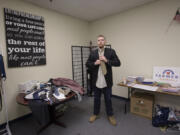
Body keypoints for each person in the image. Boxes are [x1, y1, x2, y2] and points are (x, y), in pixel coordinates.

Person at [86, 35, 121, 126]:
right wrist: (94, 63)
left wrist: (107, 60)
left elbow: (118, 63)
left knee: (108, 99)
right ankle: (95, 114)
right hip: (96, 81)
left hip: (107, 81)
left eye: (102, 40)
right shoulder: (93, 53)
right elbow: (87, 63)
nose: (100, 42)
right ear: (97, 42)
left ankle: (110, 115)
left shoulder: (111, 52)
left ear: (105, 41)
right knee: (96, 99)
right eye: (98, 40)